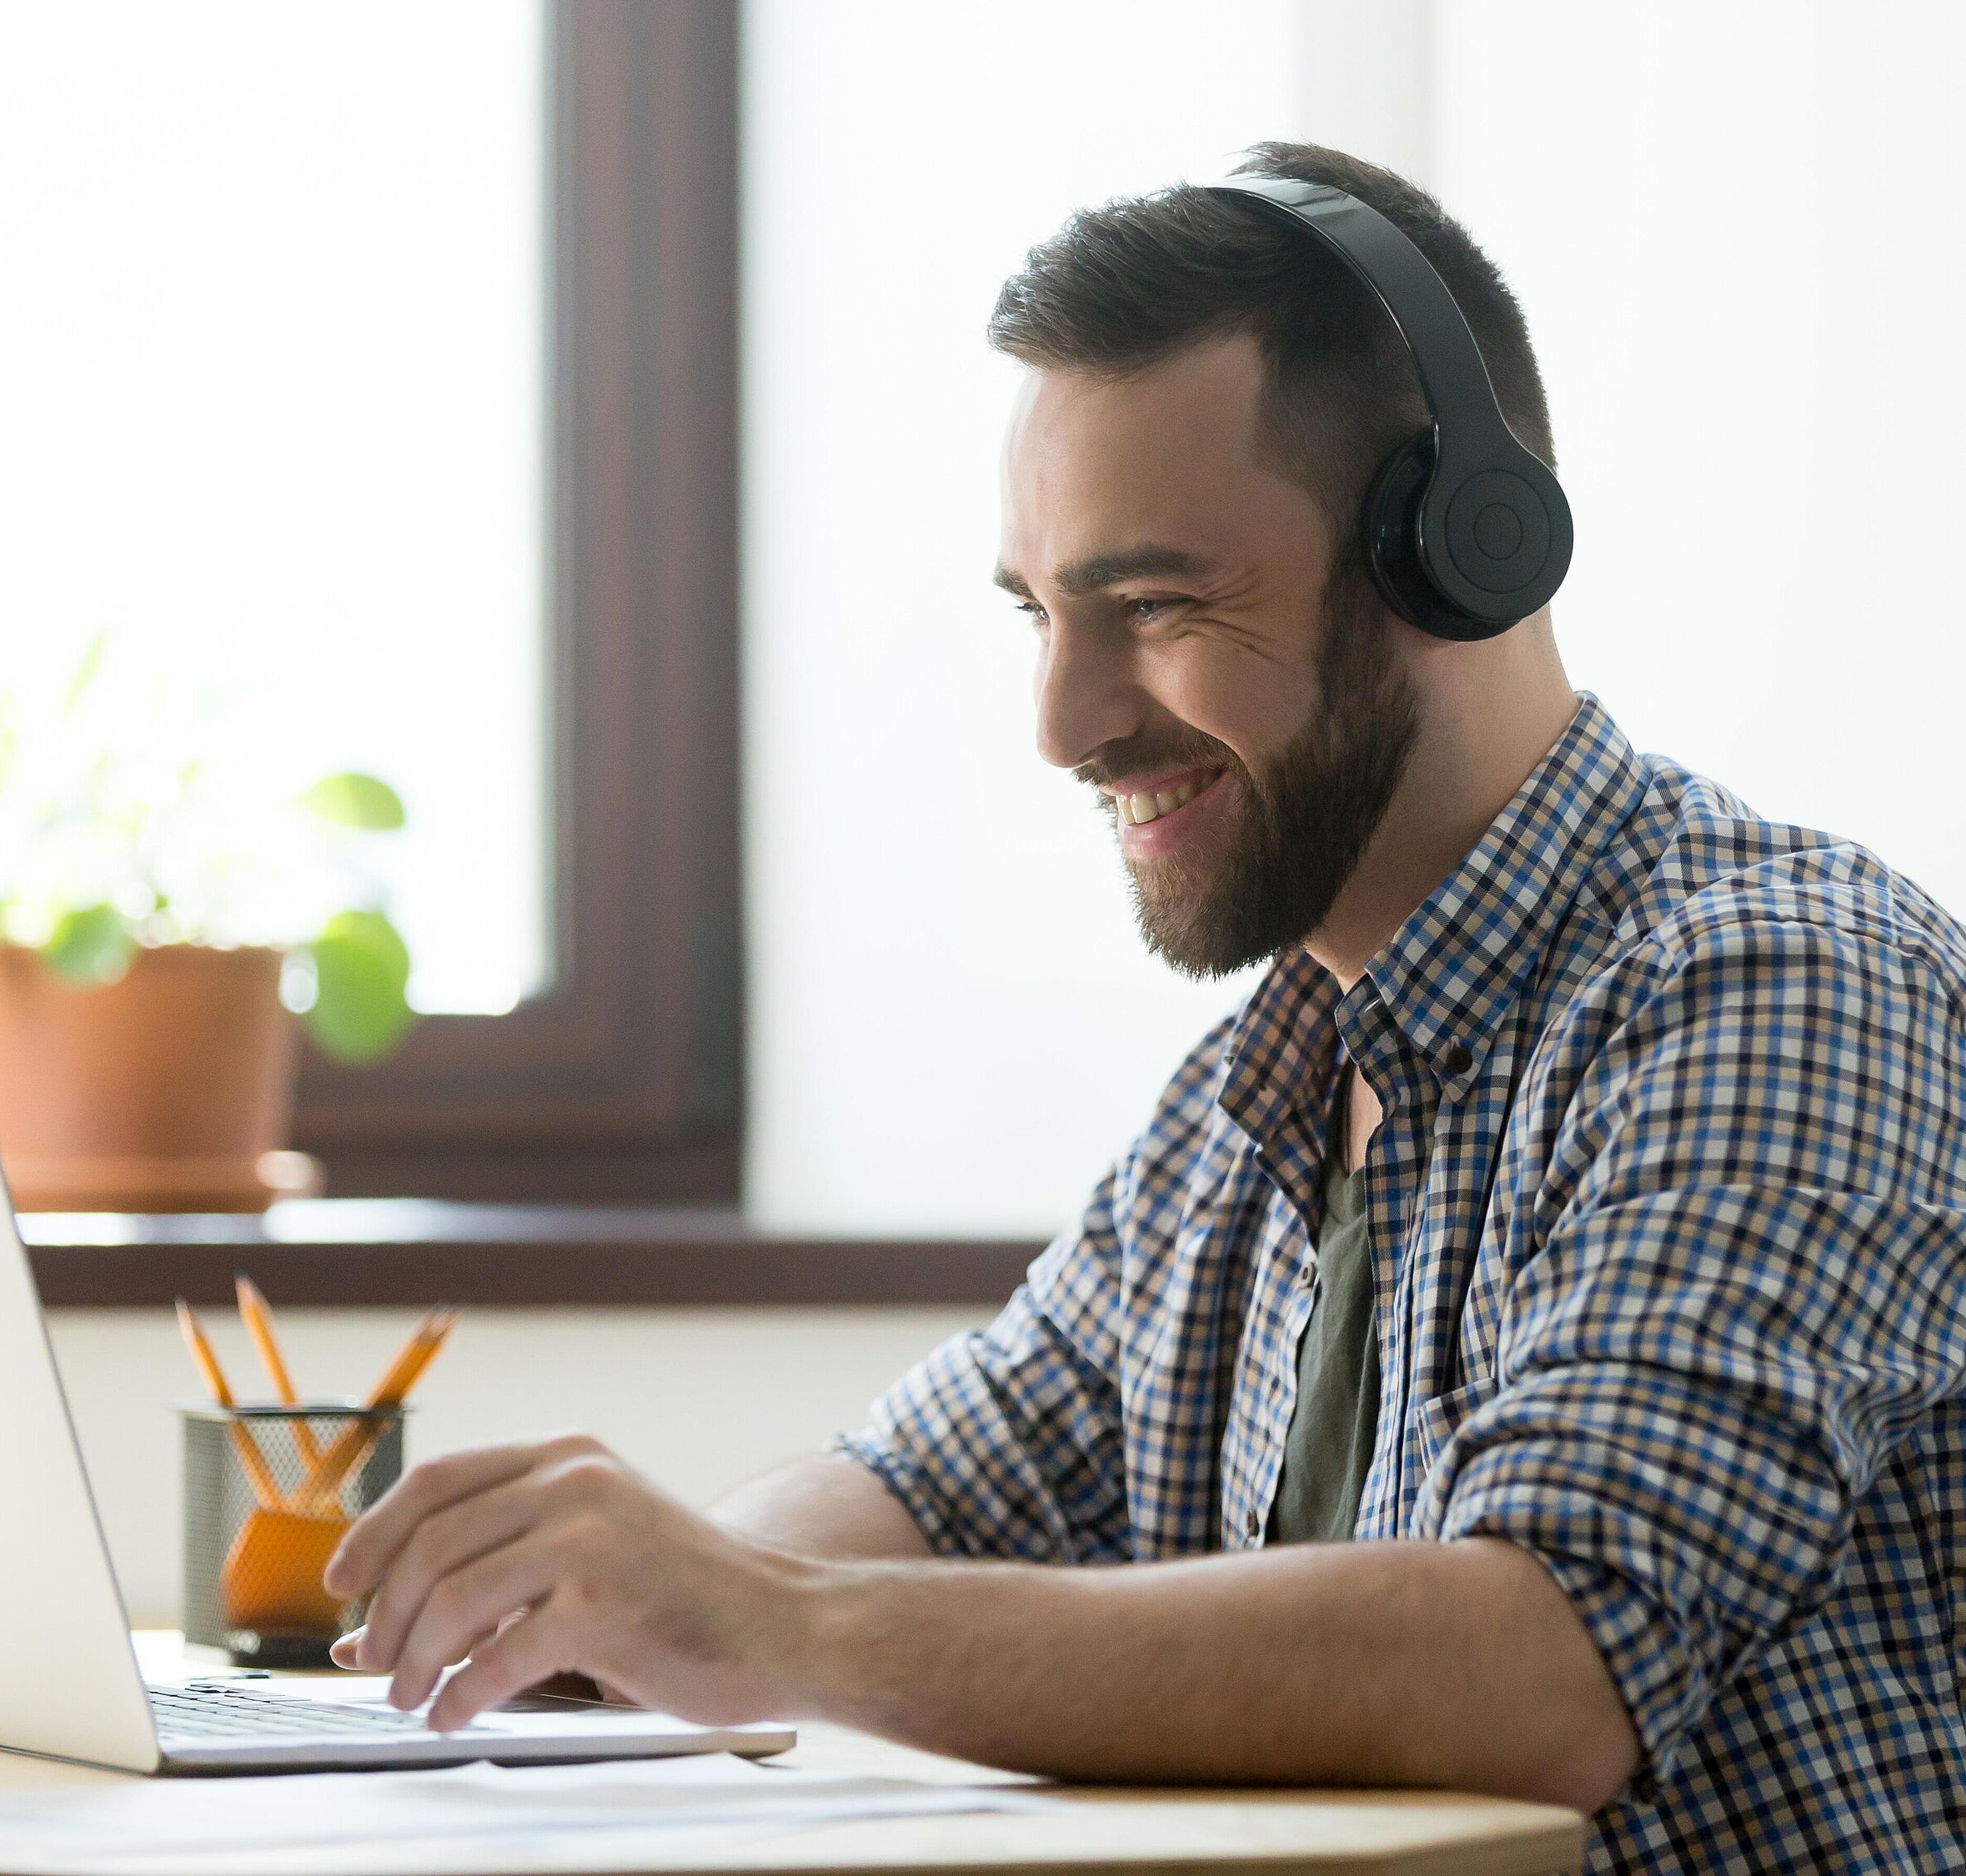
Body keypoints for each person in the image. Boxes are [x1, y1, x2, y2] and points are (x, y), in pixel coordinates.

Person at [323, 144, 1966, 1871]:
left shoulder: (1774, 987)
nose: (1062, 723)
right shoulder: (1260, 1086)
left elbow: (1541, 1665)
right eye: (1039, 614)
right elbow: (933, 1493)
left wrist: (753, 1623)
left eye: (1155, 606)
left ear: (1458, 559)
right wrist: (594, 1613)